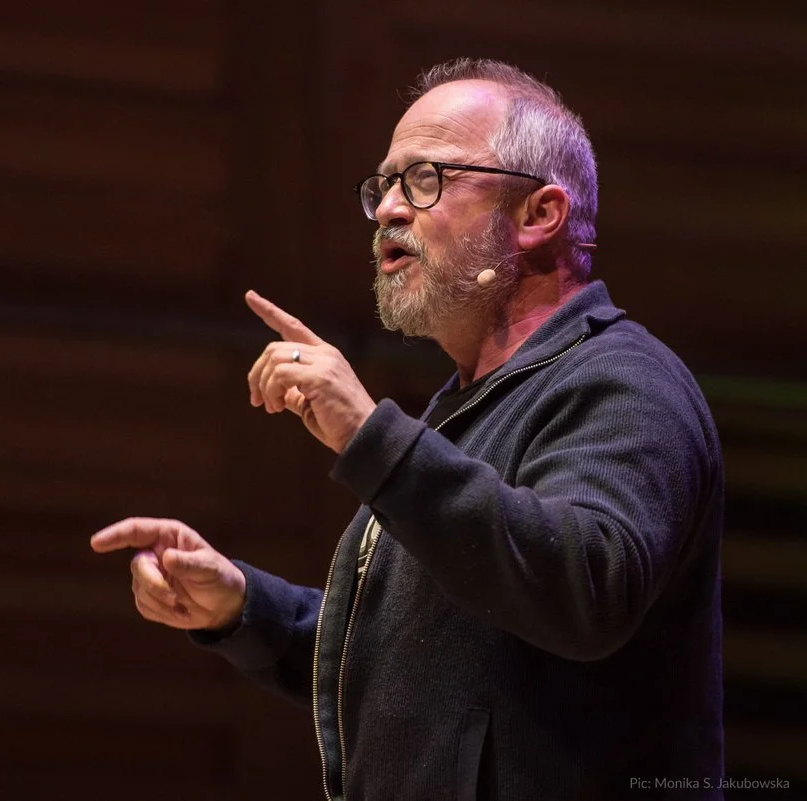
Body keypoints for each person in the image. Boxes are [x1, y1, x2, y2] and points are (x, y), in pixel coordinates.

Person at [91, 58, 723, 801]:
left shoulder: (625, 381)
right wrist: (242, 605)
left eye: (425, 179)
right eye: (384, 185)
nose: (390, 208)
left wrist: (372, 435)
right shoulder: (460, 412)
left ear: (537, 215)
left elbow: (583, 586)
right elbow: (413, 653)